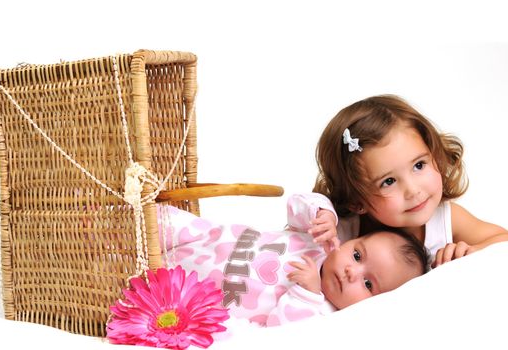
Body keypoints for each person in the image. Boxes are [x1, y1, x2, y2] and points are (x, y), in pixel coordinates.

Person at [156, 193, 429, 327]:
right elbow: (296, 204)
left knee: (149, 296)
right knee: (161, 221)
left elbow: (281, 333)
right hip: (202, 239)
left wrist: (306, 294)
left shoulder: (324, 314)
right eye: (357, 255)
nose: (350, 271)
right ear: (351, 240)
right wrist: (322, 214)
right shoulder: (323, 241)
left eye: (368, 284)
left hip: (188, 294)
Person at [312, 94, 508, 267]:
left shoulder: (445, 219)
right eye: (388, 181)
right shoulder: (347, 232)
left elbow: (502, 240)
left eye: (419, 165)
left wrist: (472, 251)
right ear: (356, 202)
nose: (413, 190)